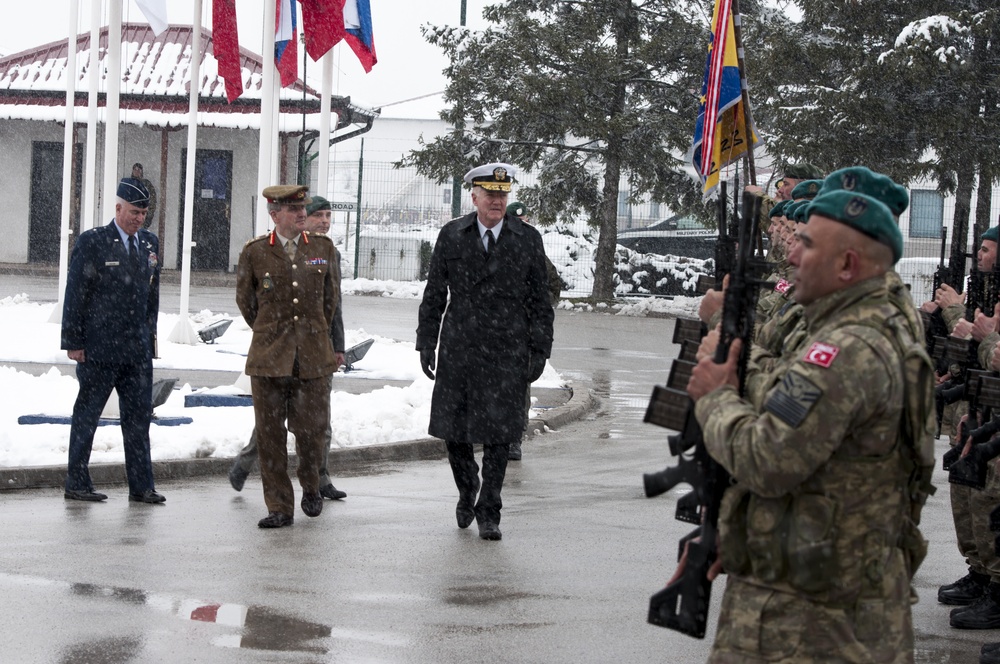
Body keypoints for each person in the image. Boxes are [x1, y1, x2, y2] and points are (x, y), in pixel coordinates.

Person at [687, 190, 935, 662]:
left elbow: (767, 458)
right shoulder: (855, 332)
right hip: (813, 596)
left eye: (807, 244)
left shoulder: (847, 351)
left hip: (815, 624)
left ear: (846, 265)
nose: (793, 255)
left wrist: (716, 396)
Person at [416, 162, 554, 541]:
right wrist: (426, 341)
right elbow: (434, 293)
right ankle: (467, 488)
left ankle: (489, 508)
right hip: (460, 343)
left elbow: (539, 299)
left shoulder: (526, 238)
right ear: (473, 197)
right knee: (453, 430)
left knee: (500, 433)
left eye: (502, 195)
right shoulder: (452, 235)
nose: (497, 201)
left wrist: (540, 347)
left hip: (507, 345)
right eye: (490, 195)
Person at [228, 194, 348, 501]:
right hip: (272, 355)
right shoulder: (255, 252)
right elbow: (247, 302)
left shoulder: (323, 250)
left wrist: (329, 343)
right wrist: (274, 332)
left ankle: (315, 484)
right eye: (297, 209)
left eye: (325, 215)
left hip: (315, 353)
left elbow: (331, 304)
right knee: (270, 433)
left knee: (314, 429)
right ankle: (279, 506)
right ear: (274, 214)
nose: (315, 218)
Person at [61, 177, 164, 504]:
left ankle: (142, 486)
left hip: (136, 352)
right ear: (118, 207)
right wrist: (73, 341)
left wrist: (150, 339)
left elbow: (152, 297)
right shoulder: (94, 242)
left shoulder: (149, 244)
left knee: (138, 421)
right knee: (87, 417)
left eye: (143, 213)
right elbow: (76, 293)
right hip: (99, 348)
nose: (139, 218)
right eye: (134, 211)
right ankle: (77, 482)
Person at [505, 200, 561, 461]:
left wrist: (539, 308)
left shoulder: (533, 251)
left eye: (523, 220)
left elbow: (552, 284)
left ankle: (514, 438)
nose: (521, 225)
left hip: (522, 330)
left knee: (518, 386)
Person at [131, 163, 158, 229]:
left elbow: (152, 201)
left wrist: (148, 216)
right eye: (135, 169)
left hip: (143, 219)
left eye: (139, 170)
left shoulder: (147, 184)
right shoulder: (128, 184)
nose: (137, 171)